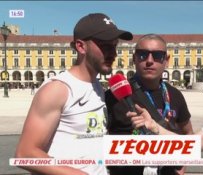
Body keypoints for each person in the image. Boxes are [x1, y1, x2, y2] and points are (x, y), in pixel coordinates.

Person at [15, 13, 133, 175]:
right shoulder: (58, 89)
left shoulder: (97, 87)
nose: (113, 53)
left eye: (115, 45)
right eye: (105, 46)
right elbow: (25, 154)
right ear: (81, 46)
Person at [105, 34, 194, 175]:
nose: (149, 61)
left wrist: (181, 170)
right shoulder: (113, 95)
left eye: (158, 55)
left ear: (166, 60)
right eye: (142, 55)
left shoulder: (175, 95)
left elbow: (188, 133)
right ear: (134, 58)